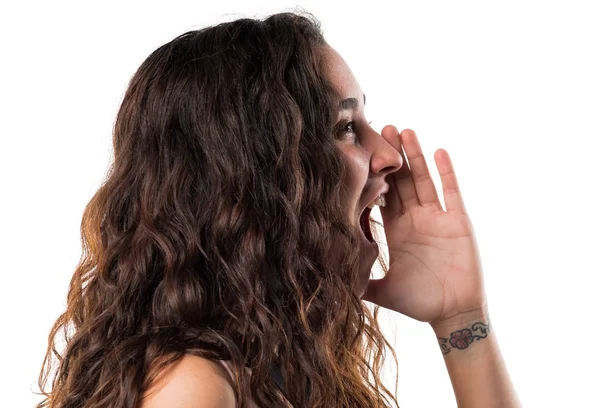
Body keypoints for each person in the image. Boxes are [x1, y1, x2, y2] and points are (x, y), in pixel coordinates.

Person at [35, 10, 521, 408]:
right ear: (255, 172)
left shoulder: (275, 370)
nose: (389, 155)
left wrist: (461, 318)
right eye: (345, 126)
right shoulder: (194, 387)